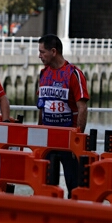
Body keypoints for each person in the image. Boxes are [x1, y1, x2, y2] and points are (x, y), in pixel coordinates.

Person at [36, 34, 89, 196]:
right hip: (49, 139)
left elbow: (82, 108)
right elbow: (41, 106)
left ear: (54, 51)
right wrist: (39, 132)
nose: (39, 56)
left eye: (42, 52)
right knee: (47, 185)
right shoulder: (43, 74)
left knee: (73, 185)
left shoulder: (74, 74)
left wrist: (77, 137)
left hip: (68, 140)